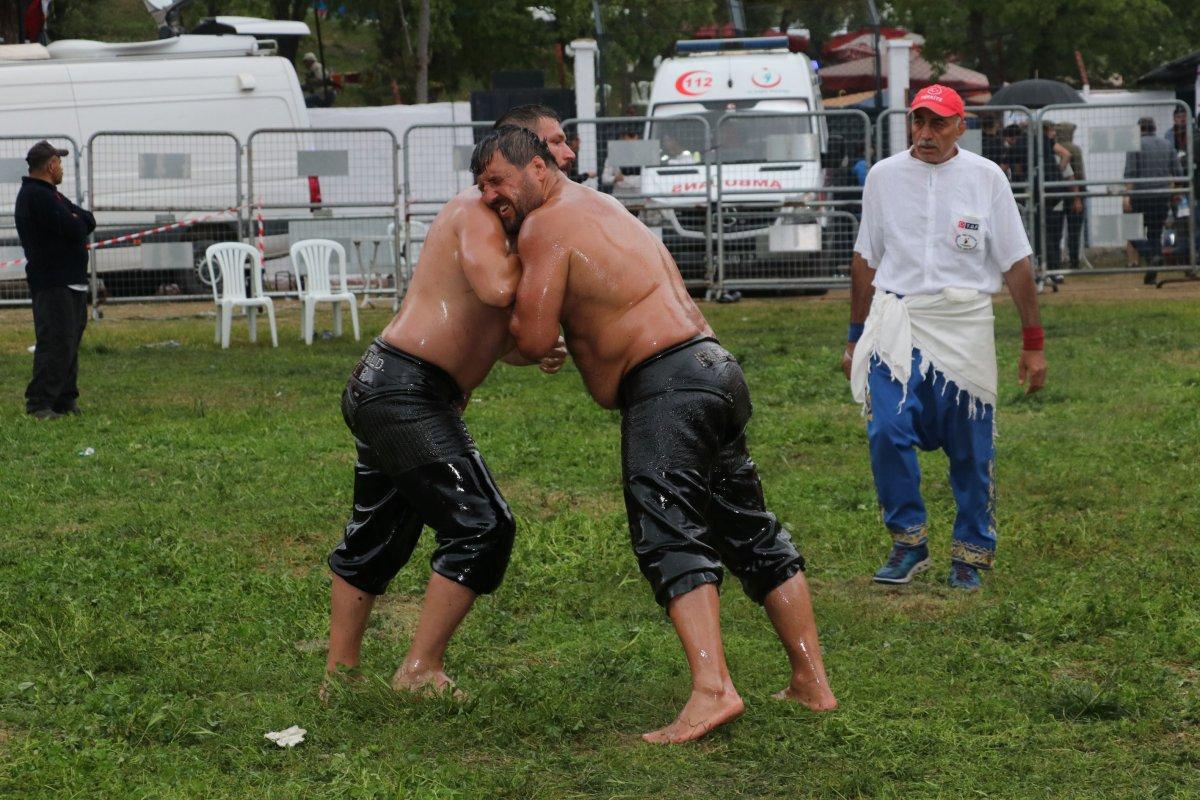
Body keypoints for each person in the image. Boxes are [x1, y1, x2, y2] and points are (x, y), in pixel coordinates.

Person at [472, 126, 837, 745]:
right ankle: (811, 681)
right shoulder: (602, 206)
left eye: (497, 182)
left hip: (668, 385)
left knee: (666, 529)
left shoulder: (545, 226)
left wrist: (498, 342)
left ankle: (713, 690)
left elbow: (533, 338)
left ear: (537, 169)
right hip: (712, 369)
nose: (488, 198)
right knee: (749, 529)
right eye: (480, 187)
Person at [323, 113, 576, 700]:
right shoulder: (477, 212)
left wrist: (530, 349)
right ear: (526, 153)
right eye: (555, 142)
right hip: (401, 389)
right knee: (483, 526)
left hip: (392, 387)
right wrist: (557, 262)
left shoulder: (508, 222)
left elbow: (483, 329)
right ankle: (419, 671)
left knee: (376, 534)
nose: (566, 153)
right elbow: (495, 289)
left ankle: (340, 678)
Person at [842, 84, 1047, 592]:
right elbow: (865, 259)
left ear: (962, 124)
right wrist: (853, 337)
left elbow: (1016, 263)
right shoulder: (884, 178)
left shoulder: (986, 177)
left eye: (938, 123)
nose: (926, 133)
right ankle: (908, 542)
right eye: (919, 121)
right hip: (898, 321)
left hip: (965, 325)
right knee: (887, 431)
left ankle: (971, 552)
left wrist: (1033, 342)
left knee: (971, 447)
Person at [15, 140, 95, 420]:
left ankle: (64, 398)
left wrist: (76, 220)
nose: (61, 168)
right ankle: (39, 403)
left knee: (70, 342)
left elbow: (88, 220)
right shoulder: (36, 196)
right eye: (59, 163)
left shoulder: (53, 195)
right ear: (50, 166)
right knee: (55, 342)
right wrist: (76, 221)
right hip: (53, 281)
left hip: (71, 281)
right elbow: (75, 228)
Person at [1124, 116, 1183, 284]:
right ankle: (1153, 272)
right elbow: (1178, 172)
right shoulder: (1167, 144)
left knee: (1131, 231)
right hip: (1162, 196)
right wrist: (1176, 191)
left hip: (1141, 196)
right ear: (1154, 128)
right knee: (1155, 234)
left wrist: (1127, 197)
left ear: (1139, 129)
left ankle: (1151, 257)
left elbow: (1131, 173)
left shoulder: (1134, 145)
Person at [1055, 122, 1087, 270]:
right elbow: (1079, 172)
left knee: (1056, 229)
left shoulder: (1054, 147)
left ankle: (1055, 260)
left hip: (1058, 192)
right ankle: (1074, 261)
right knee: (1074, 230)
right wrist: (1079, 195)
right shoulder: (1074, 149)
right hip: (1075, 191)